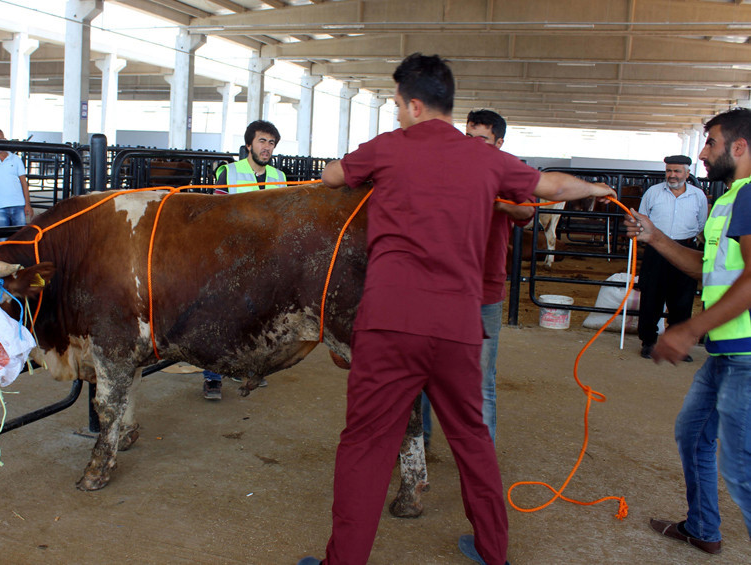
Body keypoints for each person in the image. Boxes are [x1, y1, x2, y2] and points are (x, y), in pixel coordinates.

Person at [298, 53, 614, 565]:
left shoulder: (388, 148)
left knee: (365, 444)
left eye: (399, 105)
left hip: (389, 322)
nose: (398, 114)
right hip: (458, 326)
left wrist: (341, 170)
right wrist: (598, 189)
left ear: (416, 104)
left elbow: (334, 177)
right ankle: (494, 552)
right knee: (471, 439)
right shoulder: (485, 158)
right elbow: (551, 185)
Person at [625, 107, 751, 556]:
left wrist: (688, 329)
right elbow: (708, 268)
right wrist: (656, 237)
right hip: (728, 352)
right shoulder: (731, 198)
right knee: (694, 434)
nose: (702, 152)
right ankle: (702, 527)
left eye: (711, 142)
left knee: (741, 467)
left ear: (738, 147)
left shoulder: (750, 196)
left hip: (746, 355)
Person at [420, 109, 535, 445]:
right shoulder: (446, 168)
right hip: (439, 285)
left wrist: (496, 203)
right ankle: (420, 440)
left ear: (499, 143)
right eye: (467, 137)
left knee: (481, 377)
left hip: (484, 289)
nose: (471, 146)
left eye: (481, 140)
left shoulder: (508, 170)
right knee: (426, 370)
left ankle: (480, 454)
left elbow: (526, 211)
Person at [202, 120, 287, 401]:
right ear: (249, 144)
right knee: (219, 313)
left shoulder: (279, 176)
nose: (267, 147)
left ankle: (246, 368)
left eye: (271, 143)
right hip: (232, 255)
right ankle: (213, 377)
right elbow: (216, 216)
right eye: (262, 141)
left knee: (256, 316)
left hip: (265, 258)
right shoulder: (229, 172)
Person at [636, 154, 708, 361]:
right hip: (656, 251)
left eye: (677, 171)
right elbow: (642, 218)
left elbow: (702, 224)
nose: (672, 175)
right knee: (651, 297)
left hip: (685, 249)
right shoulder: (653, 193)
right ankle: (648, 342)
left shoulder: (698, 196)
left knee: (683, 300)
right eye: (669, 170)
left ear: (687, 173)